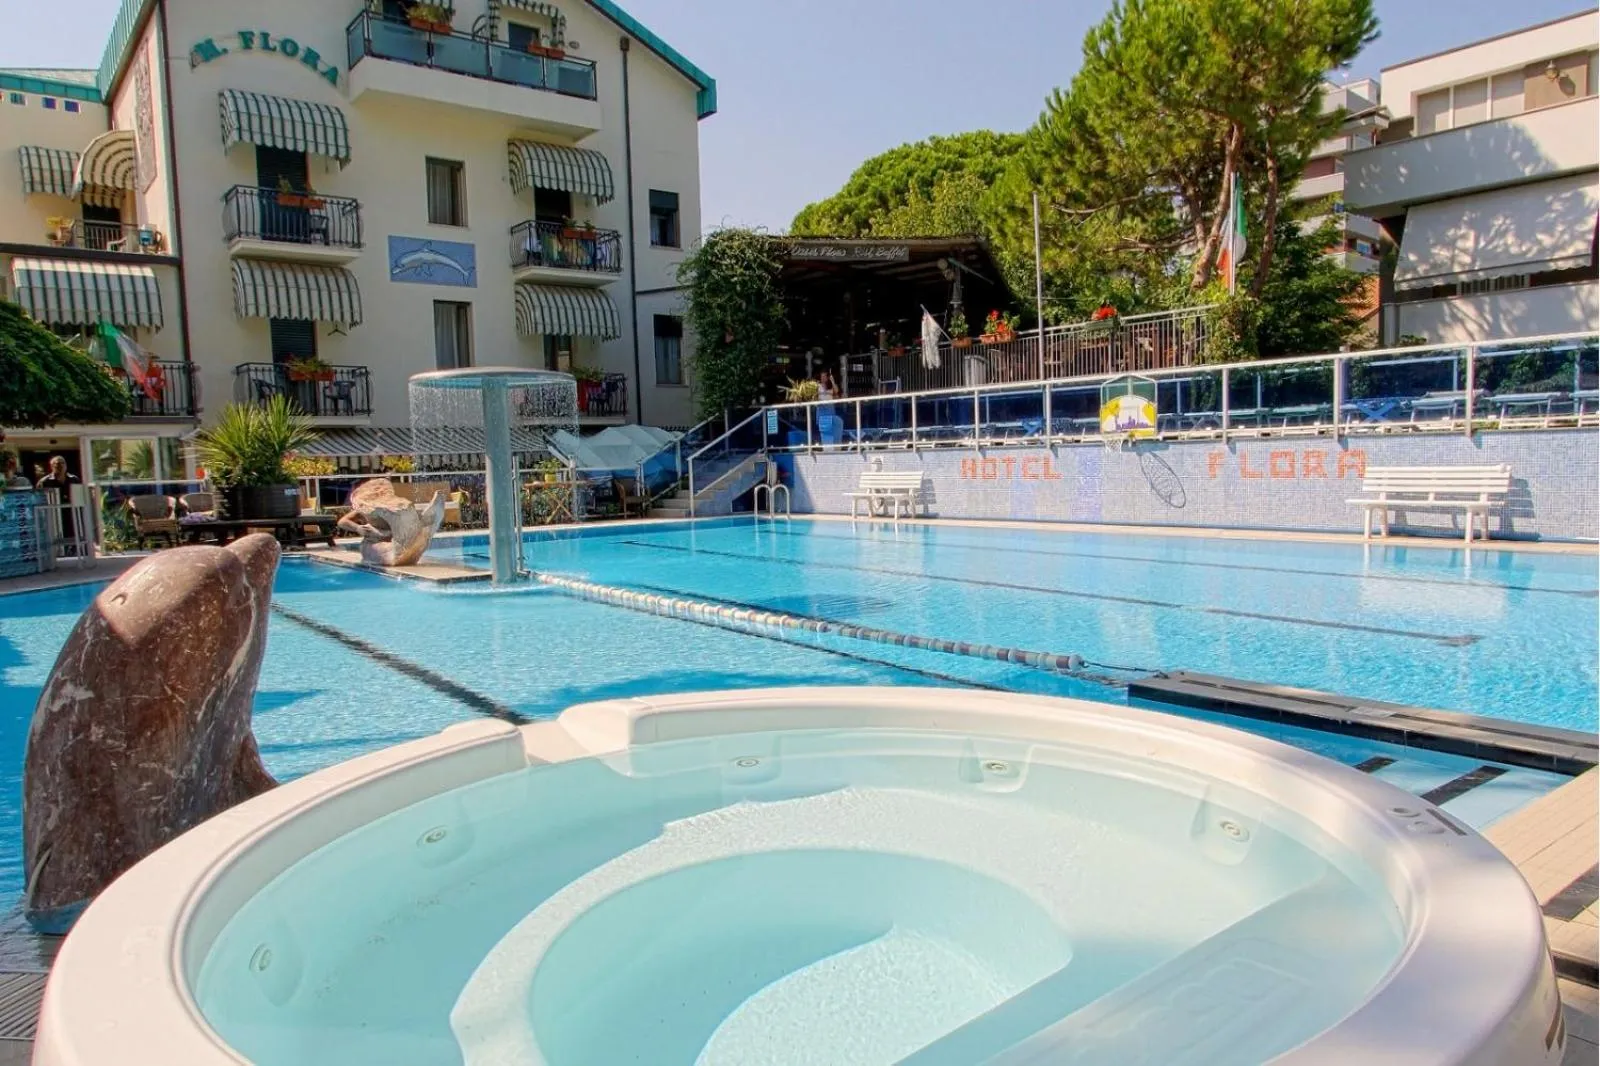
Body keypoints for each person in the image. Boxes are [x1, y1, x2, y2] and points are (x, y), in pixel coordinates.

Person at [36, 456, 82, 551]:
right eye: (56, 464)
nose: (60, 465)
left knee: (73, 536)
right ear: (51, 466)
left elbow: (80, 497)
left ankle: (74, 551)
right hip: (53, 515)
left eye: (62, 463)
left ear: (66, 465)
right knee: (55, 538)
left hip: (71, 514)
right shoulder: (44, 482)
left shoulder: (74, 479)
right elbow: (39, 500)